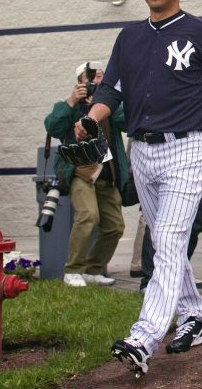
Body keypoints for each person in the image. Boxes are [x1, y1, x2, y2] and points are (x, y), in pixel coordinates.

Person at [78, 0, 202, 377]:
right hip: (142, 147)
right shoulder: (129, 36)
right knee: (164, 242)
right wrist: (93, 117)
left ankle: (144, 336)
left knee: (172, 237)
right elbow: (111, 89)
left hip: (189, 142)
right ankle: (193, 314)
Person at [45, 62, 129, 288]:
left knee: (115, 226)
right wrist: (72, 101)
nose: (95, 82)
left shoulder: (110, 107)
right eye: (90, 79)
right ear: (79, 83)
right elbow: (52, 127)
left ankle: (93, 270)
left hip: (106, 175)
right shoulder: (70, 106)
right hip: (79, 174)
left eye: (100, 77)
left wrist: (107, 104)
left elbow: (128, 121)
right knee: (88, 216)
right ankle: (72, 270)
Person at [138, 199, 202, 292]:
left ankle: (179, 275)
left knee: (196, 222)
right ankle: (150, 279)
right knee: (157, 223)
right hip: (163, 186)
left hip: (190, 184)